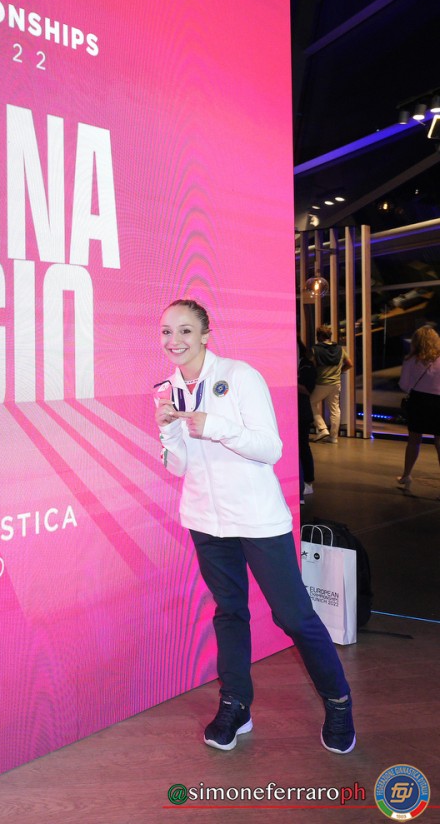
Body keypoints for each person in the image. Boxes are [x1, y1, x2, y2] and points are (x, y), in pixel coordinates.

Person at [153, 299, 355, 753]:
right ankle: (236, 704)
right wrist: (167, 431)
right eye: (166, 331)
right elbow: (178, 466)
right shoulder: (168, 389)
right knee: (229, 612)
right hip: (205, 521)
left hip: (258, 519)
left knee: (294, 616)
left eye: (185, 330)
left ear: (205, 335)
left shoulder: (240, 376)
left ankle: (339, 702)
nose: (174, 340)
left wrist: (215, 425)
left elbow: (270, 449)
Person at [396, 324, 440, 491]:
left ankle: (406, 475)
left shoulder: (411, 360)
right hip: (439, 402)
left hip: (419, 402)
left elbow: (404, 385)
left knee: (414, 440)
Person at [310, 324, 352, 443]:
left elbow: (311, 365)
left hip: (322, 383)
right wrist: (340, 371)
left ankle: (322, 428)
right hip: (336, 383)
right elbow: (350, 364)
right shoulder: (340, 349)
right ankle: (333, 437)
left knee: (310, 403)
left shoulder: (315, 349)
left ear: (319, 336)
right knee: (335, 409)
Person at [298, 338, 317, 502]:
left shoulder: (307, 365)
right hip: (294, 411)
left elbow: (307, 389)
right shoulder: (301, 364)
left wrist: (290, 380)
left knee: (303, 447)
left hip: (302, 412)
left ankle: (308, 481)